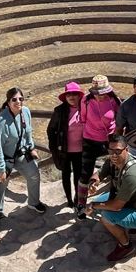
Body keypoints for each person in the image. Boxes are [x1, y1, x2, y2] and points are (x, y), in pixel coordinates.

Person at [85, 132, 136, 263]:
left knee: (106, 215)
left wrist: (92, 206)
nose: (114, 154)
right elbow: (100, 174)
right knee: (98, 202)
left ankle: (126, 246)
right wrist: (93, 182)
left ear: (127, 149)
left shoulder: (132, 173)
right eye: (111, 150)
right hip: (131, 201)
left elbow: (116, 206)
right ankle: (128, 225)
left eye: (118, 151)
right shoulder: (113, 161)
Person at [0, 87, 48, 217]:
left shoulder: (25, 112)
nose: (18, 102)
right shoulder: (1, 122)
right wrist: (0, 169)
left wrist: (31, 147)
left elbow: (28, 132)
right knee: (1, 184)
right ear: (8, 102)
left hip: (21, 154)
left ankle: (33, 202)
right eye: (14, 99)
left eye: (21, 99)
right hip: (5, 158)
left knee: (34, 175)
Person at [46, 81, 88, 214]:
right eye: (69, 94)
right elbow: (50, 130)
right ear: (65, 97)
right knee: (65, 175)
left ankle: (77, 200)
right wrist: (54, 148)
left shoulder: (85, 108)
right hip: (64, 150)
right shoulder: (59, 111)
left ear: (79, 96)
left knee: (77, 176)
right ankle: (69, 200)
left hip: (80, 151)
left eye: (74, 94)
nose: (71, 97)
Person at [80, 73, 120, 180]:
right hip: (90, 139)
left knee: (113, 168)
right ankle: (82, 195)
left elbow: (119, 117)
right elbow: (82, 118)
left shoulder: (114, 101)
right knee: (85, 171)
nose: (99, 96)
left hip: (110, 139)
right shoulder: (86, 100)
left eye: (102, 93)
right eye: (96, 93)